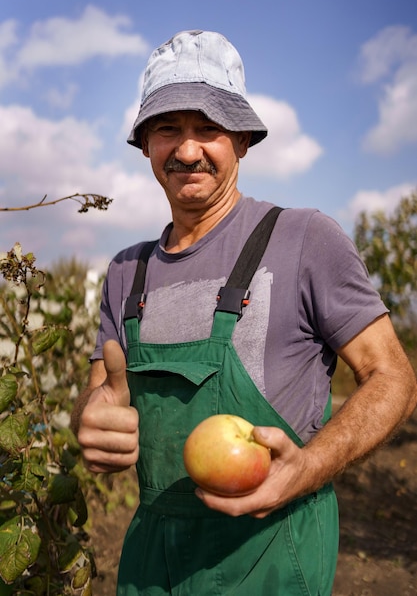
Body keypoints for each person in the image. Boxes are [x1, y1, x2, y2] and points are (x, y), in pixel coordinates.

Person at [71, 30, 417, 596]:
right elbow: (102, 397)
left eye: (208, 128)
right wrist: (91, 422)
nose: (187, 150)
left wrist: (305, 468)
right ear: (144, 146)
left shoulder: (304, 240)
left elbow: (394, 378)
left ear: (243, 140)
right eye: (167, 129)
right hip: (152, 567)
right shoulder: (125, 272)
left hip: (270, 561)